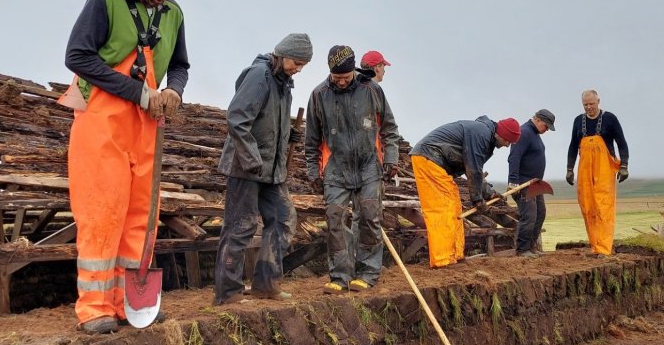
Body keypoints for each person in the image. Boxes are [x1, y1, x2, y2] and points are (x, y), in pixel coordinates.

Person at [64, 0, 189, 334]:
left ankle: (129, 303)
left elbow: (181, 65)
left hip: (147, 126)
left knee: (142, 216)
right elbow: (77, 57)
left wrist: (174, 92)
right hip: (103, 122)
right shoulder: (105, 0)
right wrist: (139, 92)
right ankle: (95, 307)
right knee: (104, 212)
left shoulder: (173, 14)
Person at [214, 34, 313, 305]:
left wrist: (288, 136)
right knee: (241, 225)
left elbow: (267, 123)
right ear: (281, 54)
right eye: (296, 62)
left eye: (303, 65)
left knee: (283, 219)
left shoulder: (284, 83)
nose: (298, 69)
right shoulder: (259, 76)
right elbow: (237, 119)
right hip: (246, 167)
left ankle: (266, 284)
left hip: (271, 169)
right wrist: (251, 157)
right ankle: (228, 292)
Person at [305, 45, 401, 293]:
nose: (341, 82)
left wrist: (391, 158)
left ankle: (368, 273)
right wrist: (314, 173)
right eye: (336, 78)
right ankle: (339, 276)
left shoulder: (371, 90)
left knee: (370, 218)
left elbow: (389, 129)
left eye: (345, 78)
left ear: (354, 71)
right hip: (336, 169)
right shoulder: (319, 95)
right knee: (334, 219)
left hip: (369, 166)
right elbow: (312, 141)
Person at [410, 116, 521, 268]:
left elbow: (476, 169)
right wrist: (477, 200)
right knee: (442, 209)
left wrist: (489, 194)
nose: (507, 146)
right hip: (429, 159)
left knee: (454, 207)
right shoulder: (481, 134)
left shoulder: (484, 136)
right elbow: (473, 169)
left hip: (437, 163)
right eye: (508, 141)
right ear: (501, 134)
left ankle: (455, 255)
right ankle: (443, 260)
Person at [566, 89, 629, 255]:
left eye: (591, 104)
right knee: (587, 206)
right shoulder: (578, 121)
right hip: (585, 168)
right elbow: (573, 146)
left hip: (605, 168)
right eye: (585, 104)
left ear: (598, 101)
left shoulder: (610, 118)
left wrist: (624, 166)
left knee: (604, 206)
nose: (588, 107)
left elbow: (622, 143)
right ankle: (595, 246)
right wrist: (569, 168)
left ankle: (604, 248)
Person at [507, 109, 555, 258]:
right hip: (523, 182)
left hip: (535, 183)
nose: (546, 130)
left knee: (540, 213)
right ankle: (522, 249)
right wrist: (513, 181)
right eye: (546, 126)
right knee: (529, 215)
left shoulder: (534, 134)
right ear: (538, 120)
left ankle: (531, 247)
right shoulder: (524, 132)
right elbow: (514, 157)